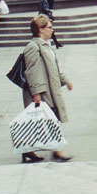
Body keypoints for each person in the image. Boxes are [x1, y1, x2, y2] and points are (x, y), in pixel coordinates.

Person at [23, 14, 73, 162]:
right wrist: (36, 93)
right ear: (40, 29)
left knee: (46, 120)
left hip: (50, 89)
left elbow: (54, 69)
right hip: (43, 92)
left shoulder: (46, 45)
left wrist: (66, 81)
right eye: (49, 27)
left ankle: (29, 149)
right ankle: (57, 151)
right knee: (49, 119)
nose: (52, 29)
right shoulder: (33, 47)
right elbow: (32, 71)